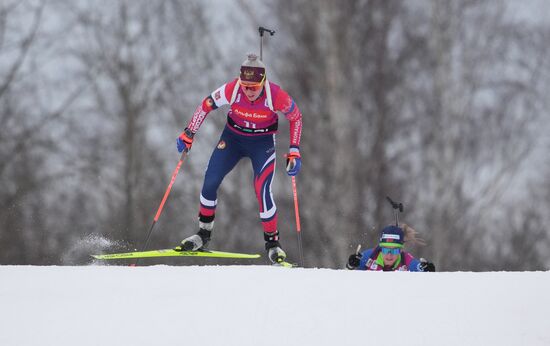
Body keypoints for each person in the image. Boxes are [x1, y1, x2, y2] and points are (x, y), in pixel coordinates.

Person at [175, 54, 303, 264]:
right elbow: (206, 105)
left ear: (263, 82)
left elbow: (296, 117)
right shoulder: (232, 89)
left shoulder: (276, 95)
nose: (248, 91)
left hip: (262, 143)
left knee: (262, 189)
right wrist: (189, 132)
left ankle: (273, 243)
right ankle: (203, 234)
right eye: (245, 86)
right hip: (233, 139)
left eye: (253, 87)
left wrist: (295, 150)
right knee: (210, 182)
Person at [346, 224, 436, 272]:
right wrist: (352, 263)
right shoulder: (370, 256)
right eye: (385, 249)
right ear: (380, 248)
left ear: (401, 250)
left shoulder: (406, 261)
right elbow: (348, 271)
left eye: (394, 250)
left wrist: (426, 269)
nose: (389, 255)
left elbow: (419, 268)